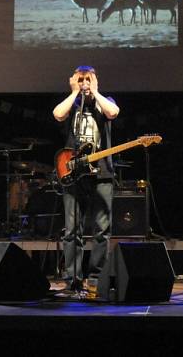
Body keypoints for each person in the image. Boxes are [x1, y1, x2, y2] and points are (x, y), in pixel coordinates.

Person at [52, 65, 119, 289]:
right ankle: (73, 278)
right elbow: (58, 114)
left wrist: (96, 91)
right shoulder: (73, 105)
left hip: (102, 172)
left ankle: (96, 276)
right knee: (72, 230)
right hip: (74, 174)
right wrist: (74, 92)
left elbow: (112, 113)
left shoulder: (104, 101)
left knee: (101, 229)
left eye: (88, 79)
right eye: (81, 79)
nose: (85, 83)